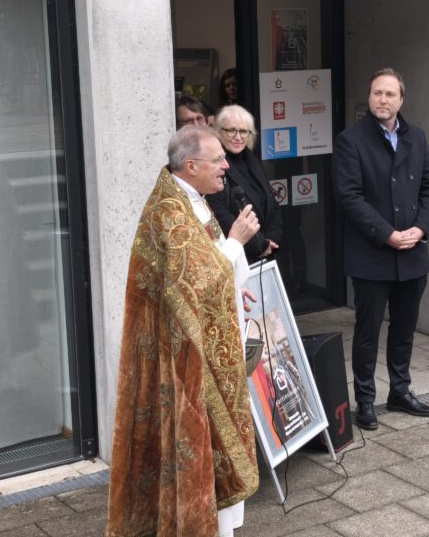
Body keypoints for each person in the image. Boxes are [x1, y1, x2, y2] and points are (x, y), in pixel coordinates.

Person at [107, 126, 262, 537]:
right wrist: (236, 241)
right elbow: (189, 280)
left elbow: (209, 271)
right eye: (218, 160)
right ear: (190, 166)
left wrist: (233, 290)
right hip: (183, 357)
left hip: (211, 348)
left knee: (216, 452)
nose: (227, 165)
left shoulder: (196, 201)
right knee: (198, 447)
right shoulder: (169, 212)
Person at [333, 68, 429, 431]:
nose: (383, 100)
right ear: (369, 97)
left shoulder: (417, 137)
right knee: (367, 331)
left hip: (412, 252)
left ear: (401, 100)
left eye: (390, 94)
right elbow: (349, 197)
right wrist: (388, 234)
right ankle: (364, 399)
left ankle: (400, 390)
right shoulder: (351, 140)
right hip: (372, 254)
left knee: (405, 328)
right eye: (377, 93)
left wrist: (421, 228)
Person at [206, 104, 283, 264]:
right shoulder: (215, 165)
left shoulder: (252, 161)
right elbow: (219, 215)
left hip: (265, 254)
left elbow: (272, 204)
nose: (238, 137)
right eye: (231, 130)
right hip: (239, 257)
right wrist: (260, 245)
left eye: (243, 131)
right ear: (219, 132)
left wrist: (271, 239)